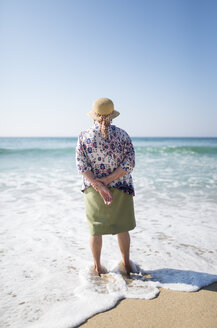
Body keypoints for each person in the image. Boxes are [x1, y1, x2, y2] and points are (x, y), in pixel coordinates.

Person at [76, 97, 136, 276]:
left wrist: (99, 185)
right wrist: (109, 180)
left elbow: (81, 166)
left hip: (94, 190)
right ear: (112, 116)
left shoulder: (84, 135)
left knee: (96, 230)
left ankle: (97, 267)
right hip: (122, 187)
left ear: (94, 116)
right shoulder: (123, 135)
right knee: (122, 228)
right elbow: (130, 163)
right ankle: (126, 265)